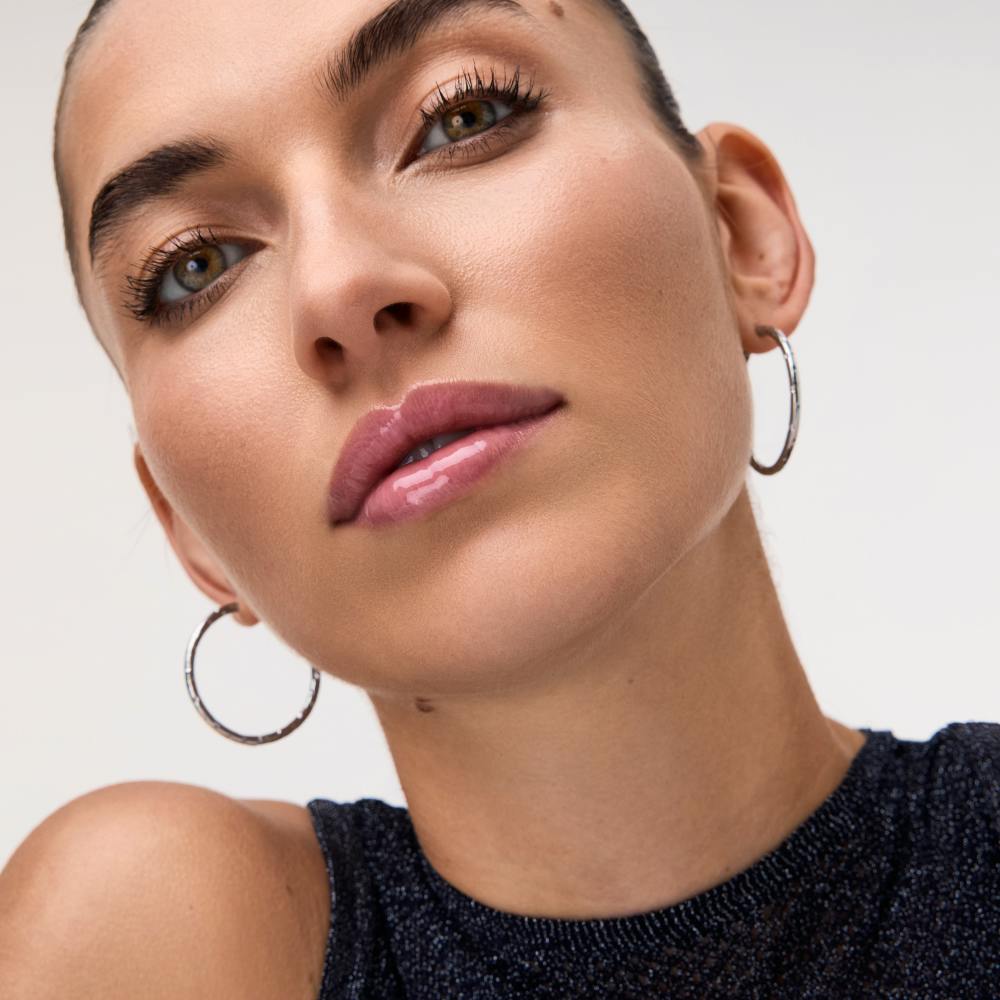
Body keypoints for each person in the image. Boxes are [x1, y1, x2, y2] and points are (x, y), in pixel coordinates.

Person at [1, 0, 997, 996]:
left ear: (737, 235)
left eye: (460, 117)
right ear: (186, 527)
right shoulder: (154, 941)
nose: (340, 290)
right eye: (195, 266)